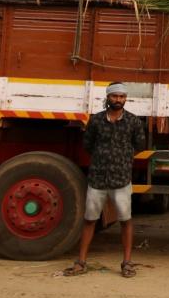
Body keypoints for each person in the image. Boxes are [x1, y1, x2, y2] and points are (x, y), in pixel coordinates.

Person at [63, 83, 146, 278]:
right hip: (97, 179)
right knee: (90, 219)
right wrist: (103, 157)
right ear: (108, 97)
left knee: (125, 220)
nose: (118, 100)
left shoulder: (134, 122)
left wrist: (122, 158)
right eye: (115, 96)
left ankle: (127, 263)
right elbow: (88, 145)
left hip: (121, 179)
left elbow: (139, 145)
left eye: (122, 97)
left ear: (126, 98)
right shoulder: (96, 121)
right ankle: (81, 262)